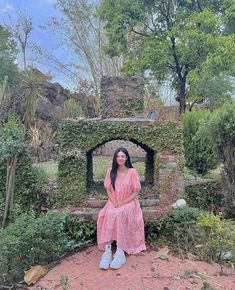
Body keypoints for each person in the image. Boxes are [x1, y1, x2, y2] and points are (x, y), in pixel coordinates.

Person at [97, 147, 146, 270]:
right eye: (118, 156)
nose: (120, 158)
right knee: (108, 213)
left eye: (122, 156)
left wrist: (123, 202)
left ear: (127, 158)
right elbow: (108, 190)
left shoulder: (132, 172)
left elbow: (136, 192)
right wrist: (114, 202)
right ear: (115, 158)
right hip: (114, 201)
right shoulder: (111, 172)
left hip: (129, 202)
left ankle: (120, 252)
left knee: (120, 213)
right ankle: (107, 252)